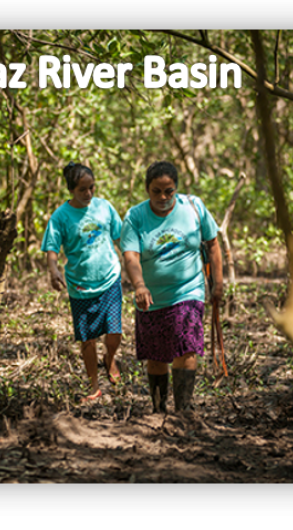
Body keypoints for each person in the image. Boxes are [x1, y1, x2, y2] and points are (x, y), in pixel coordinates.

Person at [121, 161, 223, 413]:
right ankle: (158, 411)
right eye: (157, 191)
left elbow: (212, 244)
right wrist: (140, 286)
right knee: (156, 356)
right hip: (151, 297)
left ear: (177, 188)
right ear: (147, 189)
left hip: (188, 290)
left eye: (169, 191)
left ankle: (184, 410)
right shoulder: (135, 217)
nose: (164, 197)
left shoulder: (194, 207)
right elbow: (131, 256)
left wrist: (217, 283)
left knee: (187, 346)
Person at [42, 162, 124, 403]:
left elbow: (120, 237)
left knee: (114, 332)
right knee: (87, 339)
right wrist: (53, 269)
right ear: (71, 190)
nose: (88, 194)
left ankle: (110, 358)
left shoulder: (105, 207)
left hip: (109, 278)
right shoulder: (60, 216)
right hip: (80, 285)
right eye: (82, 189)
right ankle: (94, 385)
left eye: (91, 188)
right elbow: (51, 247)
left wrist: (135, 264)